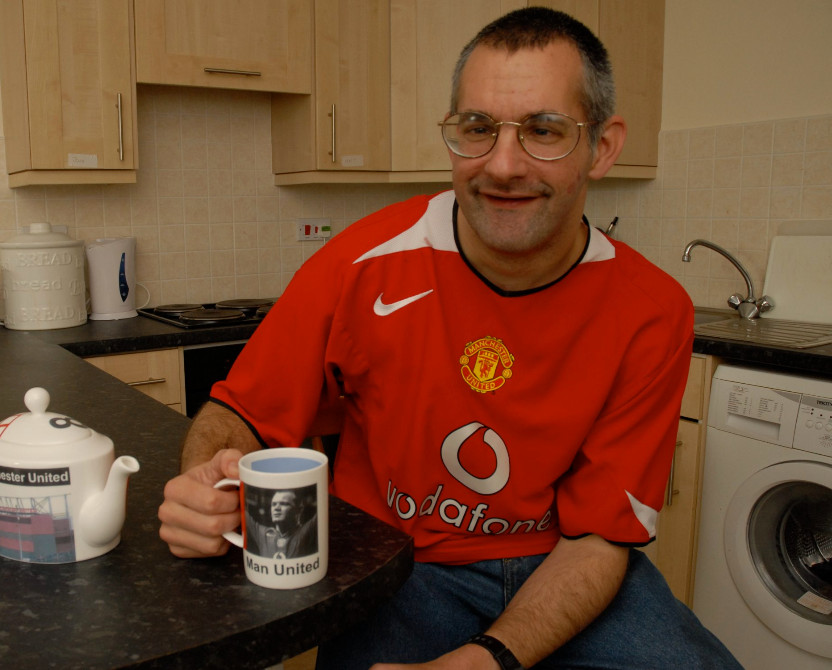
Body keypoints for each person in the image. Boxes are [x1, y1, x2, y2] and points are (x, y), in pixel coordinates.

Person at [158, 7, 742, 670]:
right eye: (478, 128)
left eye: (544, 131)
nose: (502, 164)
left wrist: (488, 659)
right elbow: (240, 413)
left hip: (563, 559)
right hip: (393, 560)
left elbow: (598, 541)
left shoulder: (653, 311)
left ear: (603, 147)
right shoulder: (359, 264)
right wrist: (201, 484)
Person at [245, 488, 318, 559]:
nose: (276, 508)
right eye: (273, 504)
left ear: (299, 509)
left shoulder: (306, 531)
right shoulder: (262, 533)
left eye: (283, 504)